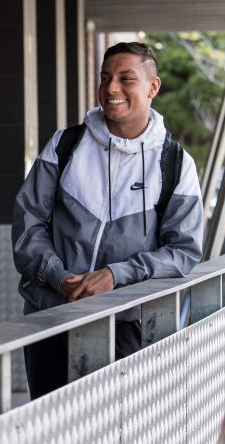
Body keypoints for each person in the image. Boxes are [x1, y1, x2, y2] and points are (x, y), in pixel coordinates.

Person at [12, 41, 204, 399]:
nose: (111, 88)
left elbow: (184, 251)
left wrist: (117, 275)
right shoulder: (64, 144)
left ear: (152, 87)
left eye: (125, 78)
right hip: (52, 317)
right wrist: (58, 277)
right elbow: (28, 223)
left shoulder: (176, 164)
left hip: (128, 324)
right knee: (52, 428)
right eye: (105, 78)